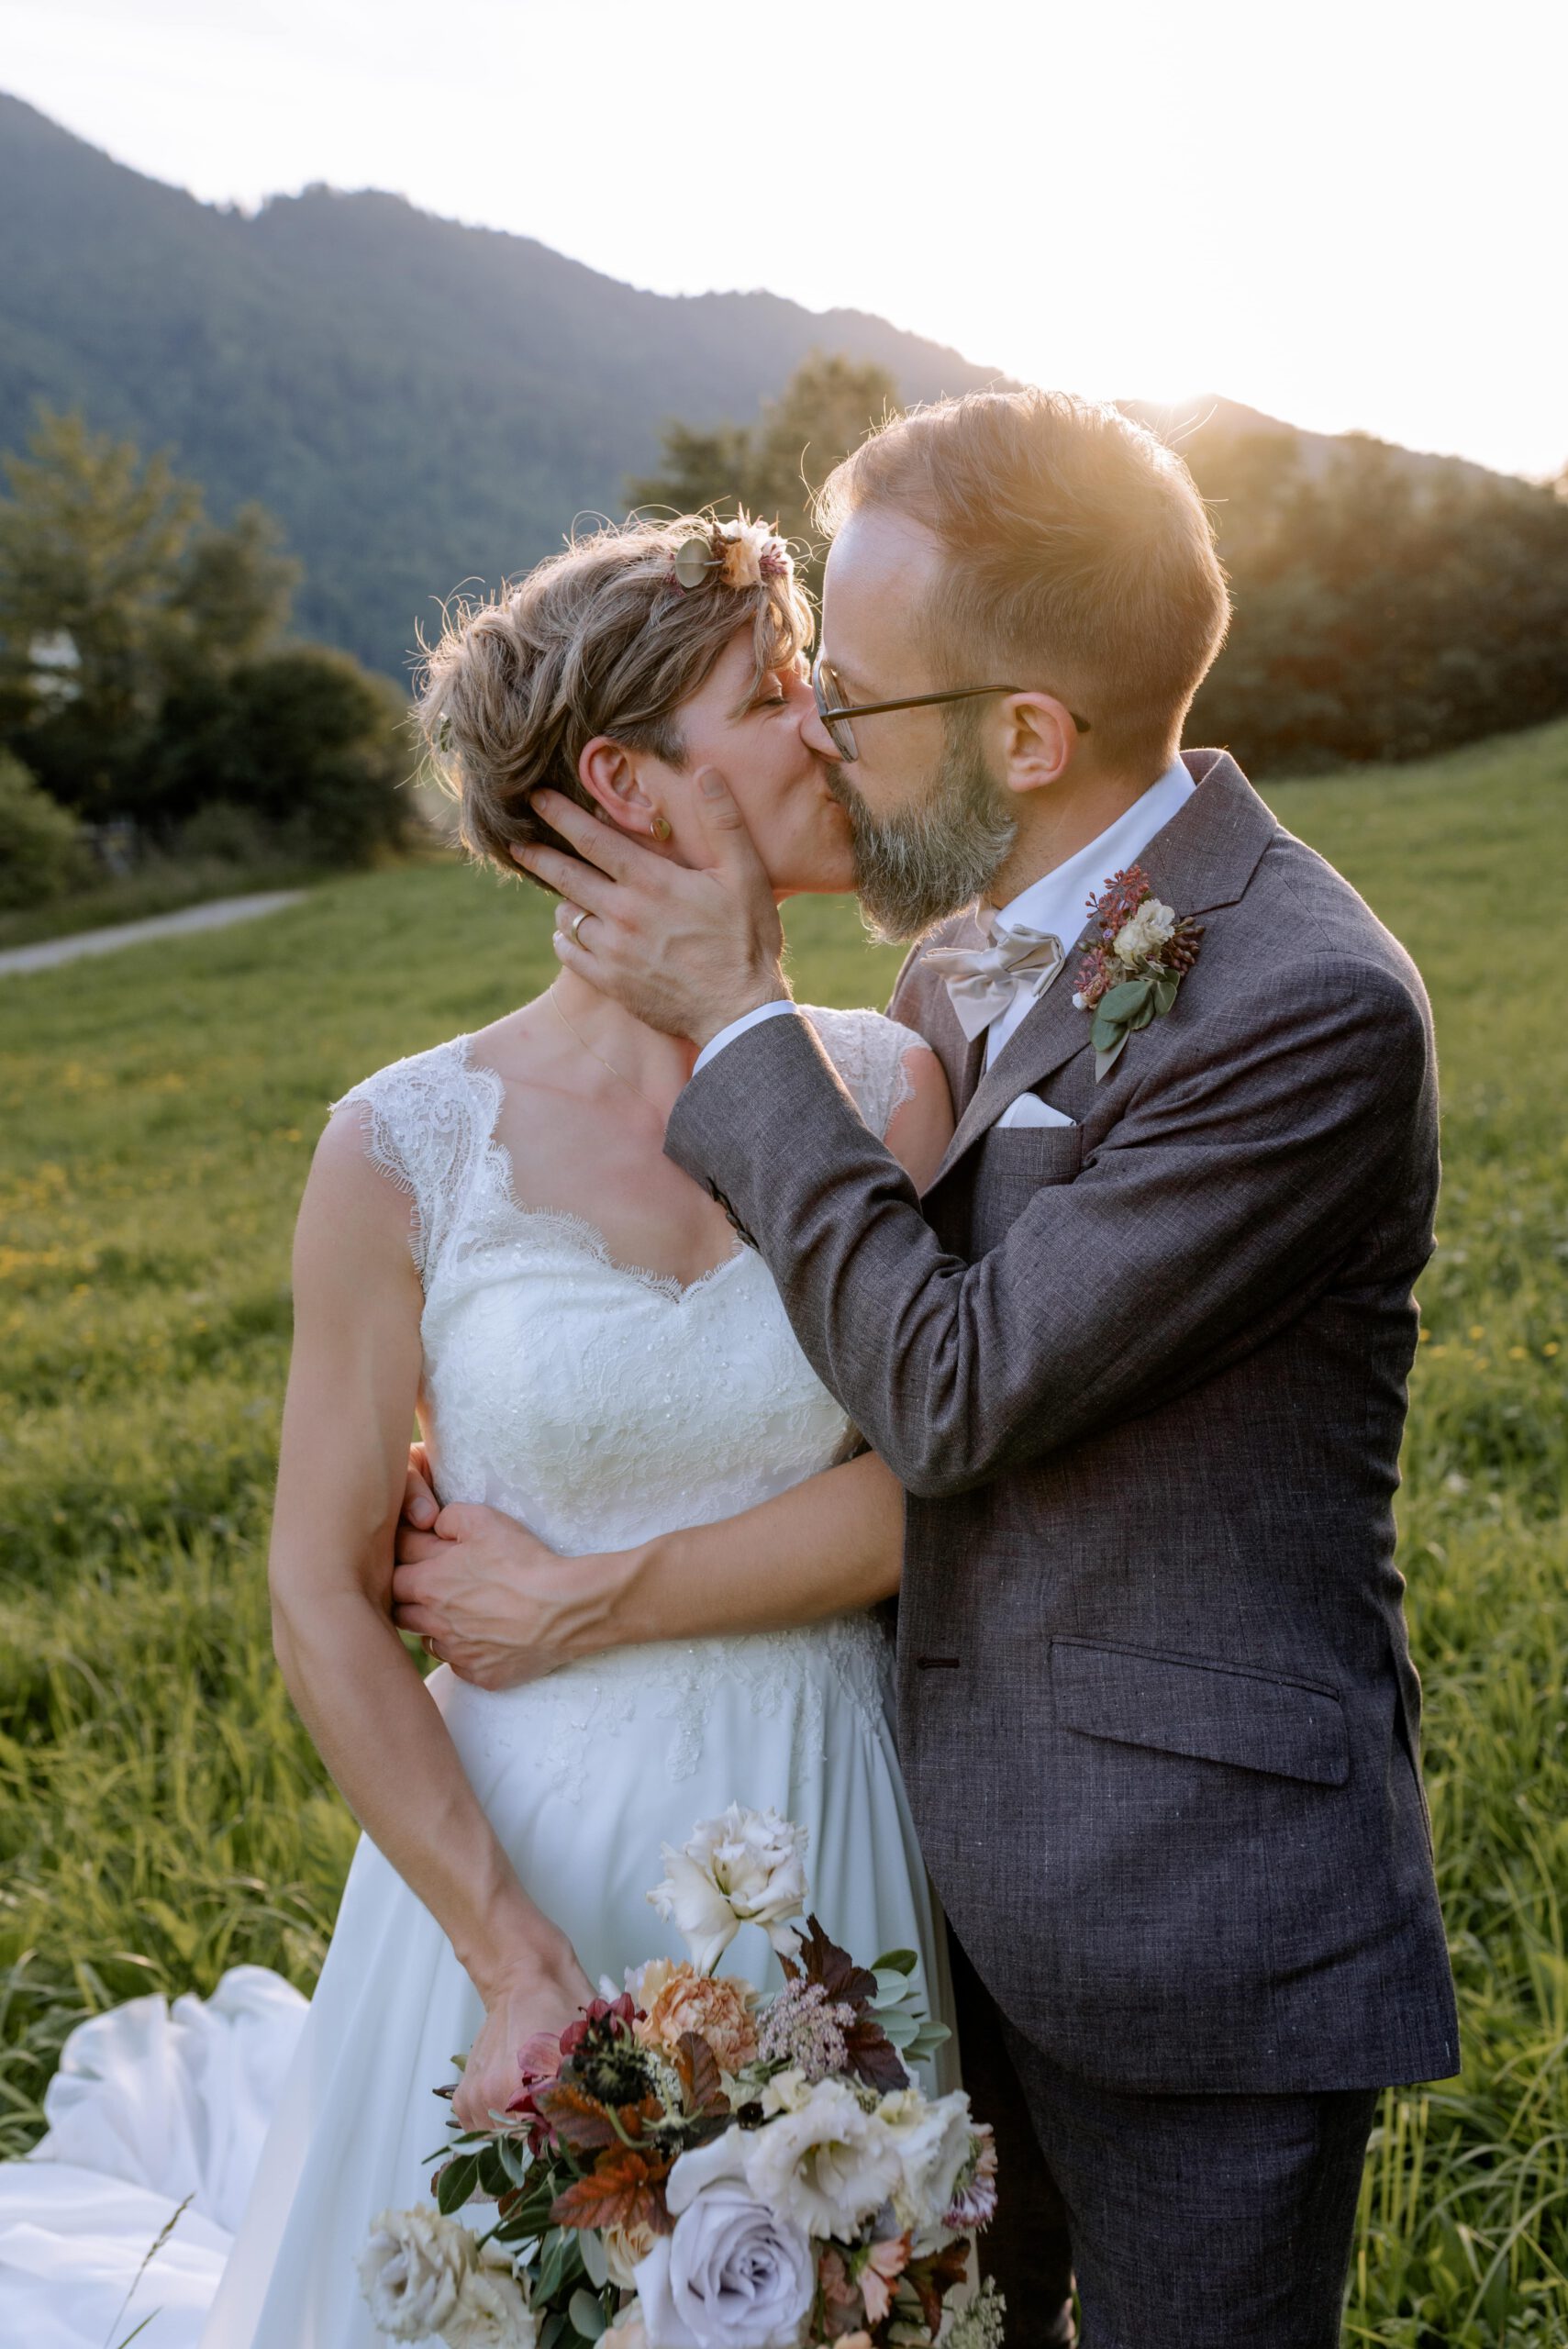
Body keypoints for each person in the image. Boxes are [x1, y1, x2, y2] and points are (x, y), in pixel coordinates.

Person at [413, 390, 1461, 2349]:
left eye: (860, 698)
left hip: (1187, 1916)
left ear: (1028, 738)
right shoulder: (961, 963)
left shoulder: (1302, 1004)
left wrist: (734, 1020)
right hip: (909, 1883)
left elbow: (957, 1382)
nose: (820, 730)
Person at [0, 515, 963, 2349]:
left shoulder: (897, 1084)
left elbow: (936, 1495)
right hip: (519, 1852)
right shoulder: (401, 1144)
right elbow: (318, 1588)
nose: (832, 723)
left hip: (827, 1822)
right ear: (623, 780)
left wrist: (585, 1590)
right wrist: (509, 1950)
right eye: (774, 694)